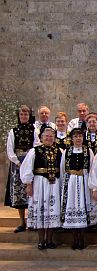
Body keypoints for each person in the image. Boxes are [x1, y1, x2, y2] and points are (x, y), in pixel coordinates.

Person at [20, 127, 62, 250]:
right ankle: (41, 240)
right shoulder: (34, 151)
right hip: (39, 183)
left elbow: (63, 169)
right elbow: (27, 168)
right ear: (41, 138)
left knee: (52, 210)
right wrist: (28, 184)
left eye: (51, 136)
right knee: (40, 210)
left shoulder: (60, 151)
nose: (49, 138)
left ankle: (49, 240)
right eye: (46, 136)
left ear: (54, 138)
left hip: (54, 184)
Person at [5, 105, 38, 233]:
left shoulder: (34, 130)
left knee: (31, 192)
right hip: (17, 164)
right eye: (22, 115)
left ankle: (32, 221)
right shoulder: (13, 131)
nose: (24, 117)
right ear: (19, 117)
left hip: (30, 162)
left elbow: (36, 145)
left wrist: (30, 160)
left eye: (26, 115)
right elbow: (10, 149)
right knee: (19, 194)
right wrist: (17, 162)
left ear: (29, 116)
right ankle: (21, 222)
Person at [60, 128, 94, 250]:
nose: (78, 139)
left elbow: (92, 168)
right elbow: (62, 168)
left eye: (80, 136)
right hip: (71, 182)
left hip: (84, 180)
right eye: (75, 136)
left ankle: (82, 238)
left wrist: (91, 184)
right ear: (72, 139)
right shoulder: (67, 151)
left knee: (83, 207)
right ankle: (75, 239)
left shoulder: (88, 151)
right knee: (72, 205)